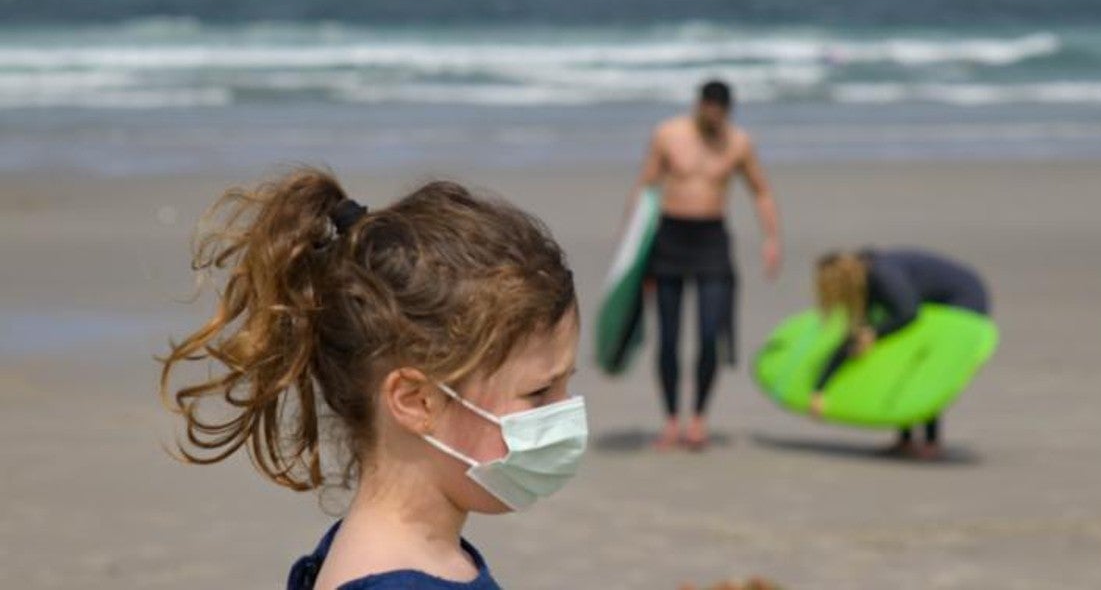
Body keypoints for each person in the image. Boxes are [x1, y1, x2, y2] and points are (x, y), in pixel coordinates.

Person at [158, 169, 586, 589]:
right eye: (538, 392)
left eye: (566, 383)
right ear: (416, 401)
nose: (565, 413)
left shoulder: (426, 553)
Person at [627, 80, 782, 451]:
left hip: (712, 241)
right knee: (668, 337)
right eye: (707, 108)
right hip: (669, 239)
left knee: (712, 333)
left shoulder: (739, 143)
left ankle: (698, 419)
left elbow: (761, 191)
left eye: (720, 111)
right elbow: (646, 187)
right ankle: (670, 422)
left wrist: (772, 239)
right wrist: (631, 250)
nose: (712, 115)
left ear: (727, 110)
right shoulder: (668, 134)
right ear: (699, 105)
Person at [809, 248, 991, 460]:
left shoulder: (883, 276)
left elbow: (908, 313)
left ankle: (932, 443)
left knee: (923, 369)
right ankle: (906, 440)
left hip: (964, 299)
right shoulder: (864, 281)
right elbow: (853, 336)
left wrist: (875, 333)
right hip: (927, 302)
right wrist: (820, 389)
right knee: (899, 358)